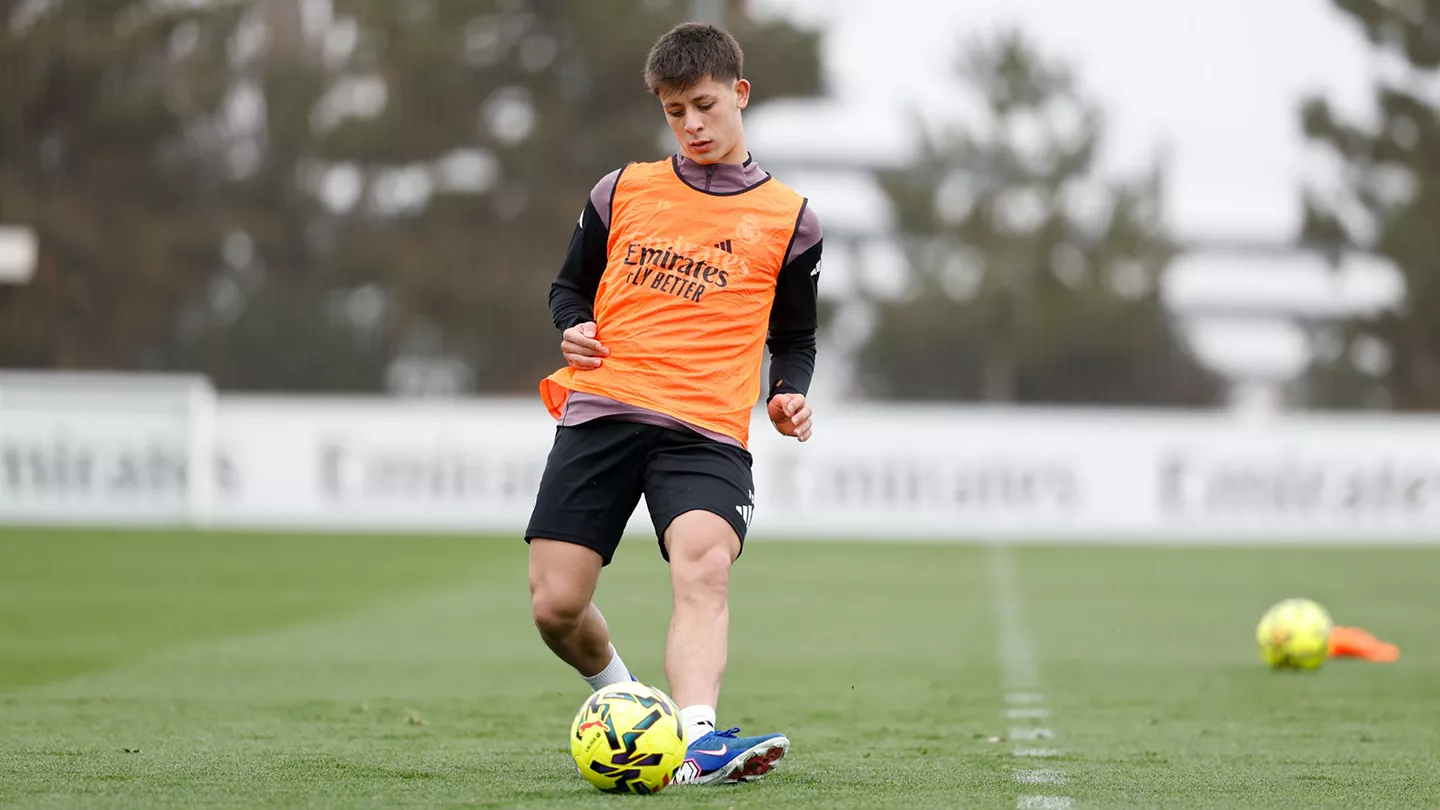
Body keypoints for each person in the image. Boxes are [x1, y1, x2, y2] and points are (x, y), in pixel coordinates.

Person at [523, 20, 822, 787]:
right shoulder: (621, 189)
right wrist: (574, 326)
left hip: (707, 431)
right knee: (556, 606)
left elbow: (794, 339)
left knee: (704, 566)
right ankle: (629, 706)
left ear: (739, 95)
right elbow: (567, 288)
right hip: (604, 412)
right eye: (674, 111)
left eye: (704, 105)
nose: (691, 124)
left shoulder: (791, 220)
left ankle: (697, 739)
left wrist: (788, 394)